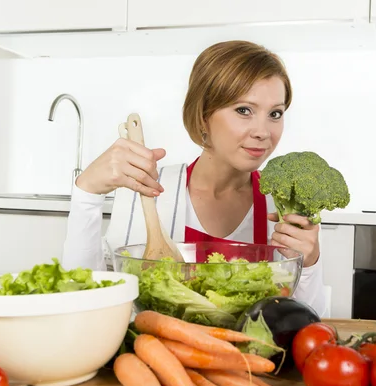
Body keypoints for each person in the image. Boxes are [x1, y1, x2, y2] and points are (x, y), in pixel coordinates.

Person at [61, 40, 327, 317]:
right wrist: (86, 195)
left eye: (275, 114)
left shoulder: (285, 205)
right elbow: (83, 299)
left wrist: (308, 264)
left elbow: (310, 325)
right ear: (203, 117)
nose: (263, 131)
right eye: (244, 110)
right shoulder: (145, 188)